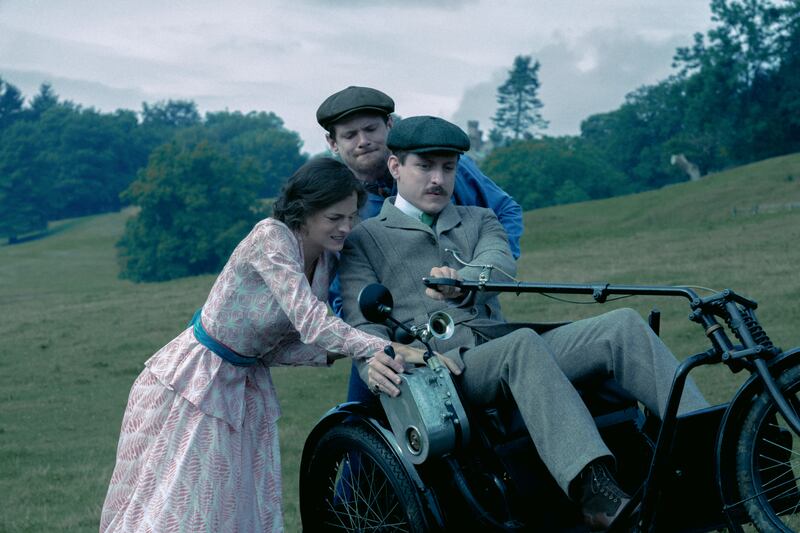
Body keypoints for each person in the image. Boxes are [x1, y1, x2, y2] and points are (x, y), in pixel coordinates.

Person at [337, 116, 709, 531]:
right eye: (425, 167)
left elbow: (500, 262)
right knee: (524, 346)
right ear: (395, 167)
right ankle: (594, 491)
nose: (438, 179)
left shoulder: (479, 219)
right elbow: (358, 322)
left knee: (621, 324)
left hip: (507, 348)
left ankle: (717, 451)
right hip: (443, 375)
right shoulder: (364, 240)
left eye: (448, 167)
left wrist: (465, 280)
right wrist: (377, 355)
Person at [99, 158, 447, 533]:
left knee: (236, 506)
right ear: (304, 211)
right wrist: (380, 348)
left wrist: (347, 349)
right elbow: (311, 322)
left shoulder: (326, 260)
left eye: (351, 216)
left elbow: (277, 347)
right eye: (334, 218)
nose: (346, 227)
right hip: (197, 383)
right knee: (183, 509)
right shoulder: (272, 238)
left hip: (245, 385)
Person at [316, 85, 524, 405]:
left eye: (371, 129)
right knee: (361, 410)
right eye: (349, 135)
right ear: (332, 143)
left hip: (466, 317)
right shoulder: (338, 202)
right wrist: (369, 335)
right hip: (395, 335)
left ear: (390, 126)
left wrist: (482, 275)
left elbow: (504, 211)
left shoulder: (441, 166)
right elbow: (342, 284)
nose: (363, 141)